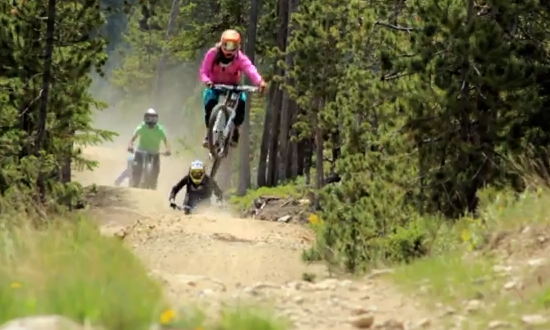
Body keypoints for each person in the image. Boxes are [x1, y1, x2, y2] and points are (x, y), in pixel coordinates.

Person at [199, 29, 266, 148]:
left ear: (238, 46)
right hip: (214, 85)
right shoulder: (212, 54)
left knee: (241, 104)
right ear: (221, 43)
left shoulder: (240, 58)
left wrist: (259, 81)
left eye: (233, 46)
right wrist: (207, 81)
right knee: (209, 103)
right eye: (226, 45)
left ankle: (235, 129)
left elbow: (250, 69)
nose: (229, 50)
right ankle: (209, 132)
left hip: (233, 86)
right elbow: (204, 70)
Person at [127, 108, 171, 189]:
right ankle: (135, 183)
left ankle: (153, 185)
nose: (151, 121)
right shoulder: (141, 127)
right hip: (141, 151)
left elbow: (166, 141)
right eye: (149, 118)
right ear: (145, 118)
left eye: (153, 118)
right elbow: (132, 139)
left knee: (155, 171)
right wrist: (130, 146)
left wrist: (168, 150)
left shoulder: (160, 130)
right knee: (137, 167)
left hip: (154, 153)